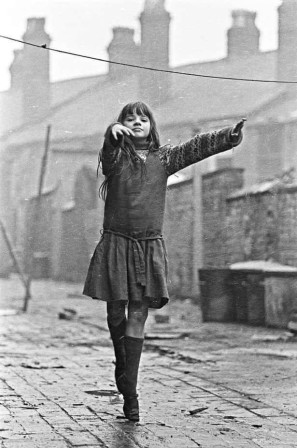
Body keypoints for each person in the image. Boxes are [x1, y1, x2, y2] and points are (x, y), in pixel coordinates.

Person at [83, 101, 245, 422]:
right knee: (116, 309)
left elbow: (195, 147)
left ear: (151, 126)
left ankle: (130, 391)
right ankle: (122, 360)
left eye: (143, 118)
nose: (137, 122)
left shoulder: (164, 158)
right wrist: (111, 135)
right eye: (130, 118)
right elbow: (109, 153)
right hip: (117, 243)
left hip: (148, 247)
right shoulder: (116, 158)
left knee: (139, 311)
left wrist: (228, 136)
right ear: (123, 126)